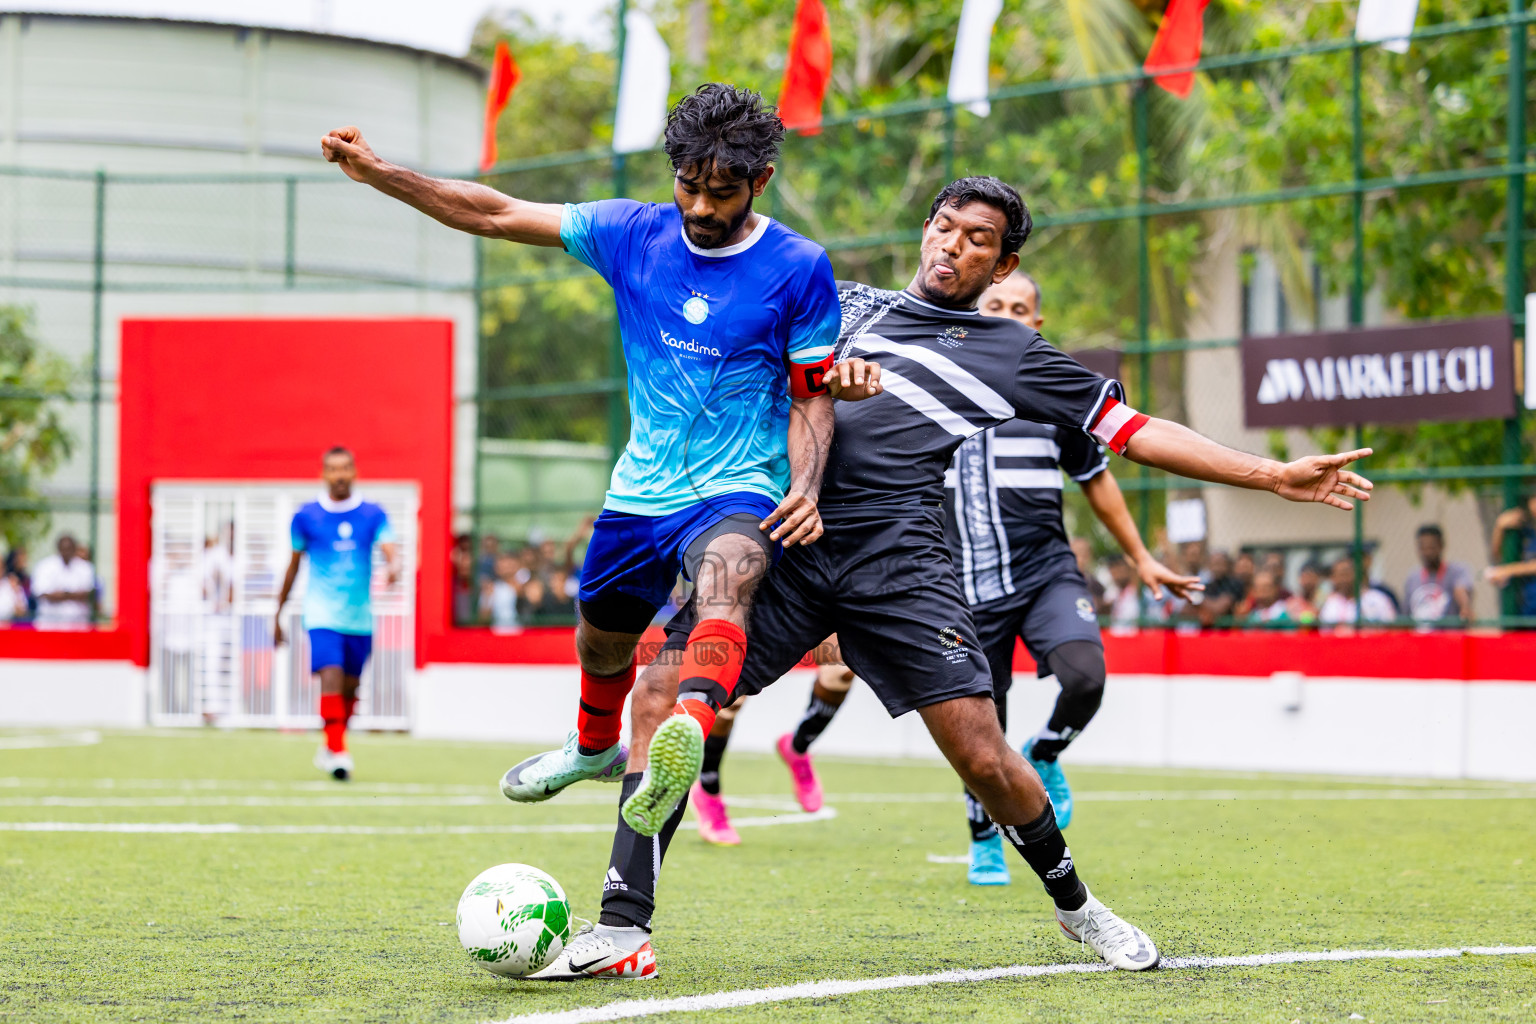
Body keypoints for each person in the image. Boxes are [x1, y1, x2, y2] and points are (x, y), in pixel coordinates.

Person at [536, 176, 1373, 981]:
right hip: (789, 539)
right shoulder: (839, 300)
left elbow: (1135, 431)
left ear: (1001, 268)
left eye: (980, 242)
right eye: (946, 227)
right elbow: (755, 375)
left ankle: (1076, 905)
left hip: (900, 564)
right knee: (659, 690)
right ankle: (622, 927)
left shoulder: (1011, 351)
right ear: (926, 228)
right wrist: (824, 379)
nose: (955, 247)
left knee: (981, 753)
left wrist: (1269, 475)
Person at [324, 84, 884, 819]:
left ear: (761, 181)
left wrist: (804, 488)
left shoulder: (797, 265)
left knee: (730, 577)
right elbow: (494, 212)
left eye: (723, 193)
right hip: (639, 494)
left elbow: (812, 392)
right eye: (689, 186)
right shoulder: (630, 233)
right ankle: (593, 748)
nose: (702, 208)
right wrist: (381, 174)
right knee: (600, 643)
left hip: (739, 486)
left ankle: (688, 721)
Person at [722, 267, 1199, 885]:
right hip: (959, 581)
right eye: (994, 303)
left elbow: (1101, 479)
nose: (1004, 313)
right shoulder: (930, 384)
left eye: (1018, 306)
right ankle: (985, 844)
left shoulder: (1052, 402)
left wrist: (1140, 556)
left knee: (1084, 676)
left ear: (1035, 324)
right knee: (979, 731)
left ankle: (1048, 756)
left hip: (1044, 570)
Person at [274, 447, 401, 781]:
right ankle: (339, 750)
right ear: (323, 474)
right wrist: (278, 612)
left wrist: (394, 568)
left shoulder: (373, 513)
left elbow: (391, 551)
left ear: (355, 472)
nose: (340, 475)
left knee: (350, 688)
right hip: (321, 615)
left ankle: (331, 745)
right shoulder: (306, 516)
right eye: (333, 469)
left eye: (345, 468)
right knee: (330, 676)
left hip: (359, 618)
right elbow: (293, 566)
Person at [1403, 524, 1473, 624]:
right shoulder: (1412, 578)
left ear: (1441, 546)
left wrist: (1465, 606)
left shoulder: (1457, 571)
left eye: (1431, 547)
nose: (1427, 553)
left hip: (1448, 636)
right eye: (1422, 548)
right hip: (1420, 637)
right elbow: (1406, 615)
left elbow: (1461, 588)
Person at [1486, 494, 1536, 622]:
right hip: (1524, 613)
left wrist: (1507, 570)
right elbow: (1498, 555)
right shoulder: (1526, 534)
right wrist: (1499, 527)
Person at [31, 534, 97, 629]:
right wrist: (72, 595)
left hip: (78, 625)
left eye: (69, 549)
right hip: (50, 625)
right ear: (58, 548)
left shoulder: (85, 567)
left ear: (74, 548)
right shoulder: (44, 566)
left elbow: (87, 594)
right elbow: (44, 594)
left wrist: (62, 594)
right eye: (64, 549)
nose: (66, 552)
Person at [1317, 556, 1395, 625]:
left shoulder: (1377, 599)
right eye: (1338, 575)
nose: (1342, 579)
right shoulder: (1331, 603)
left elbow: (1391, 628)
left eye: (1345, 574)